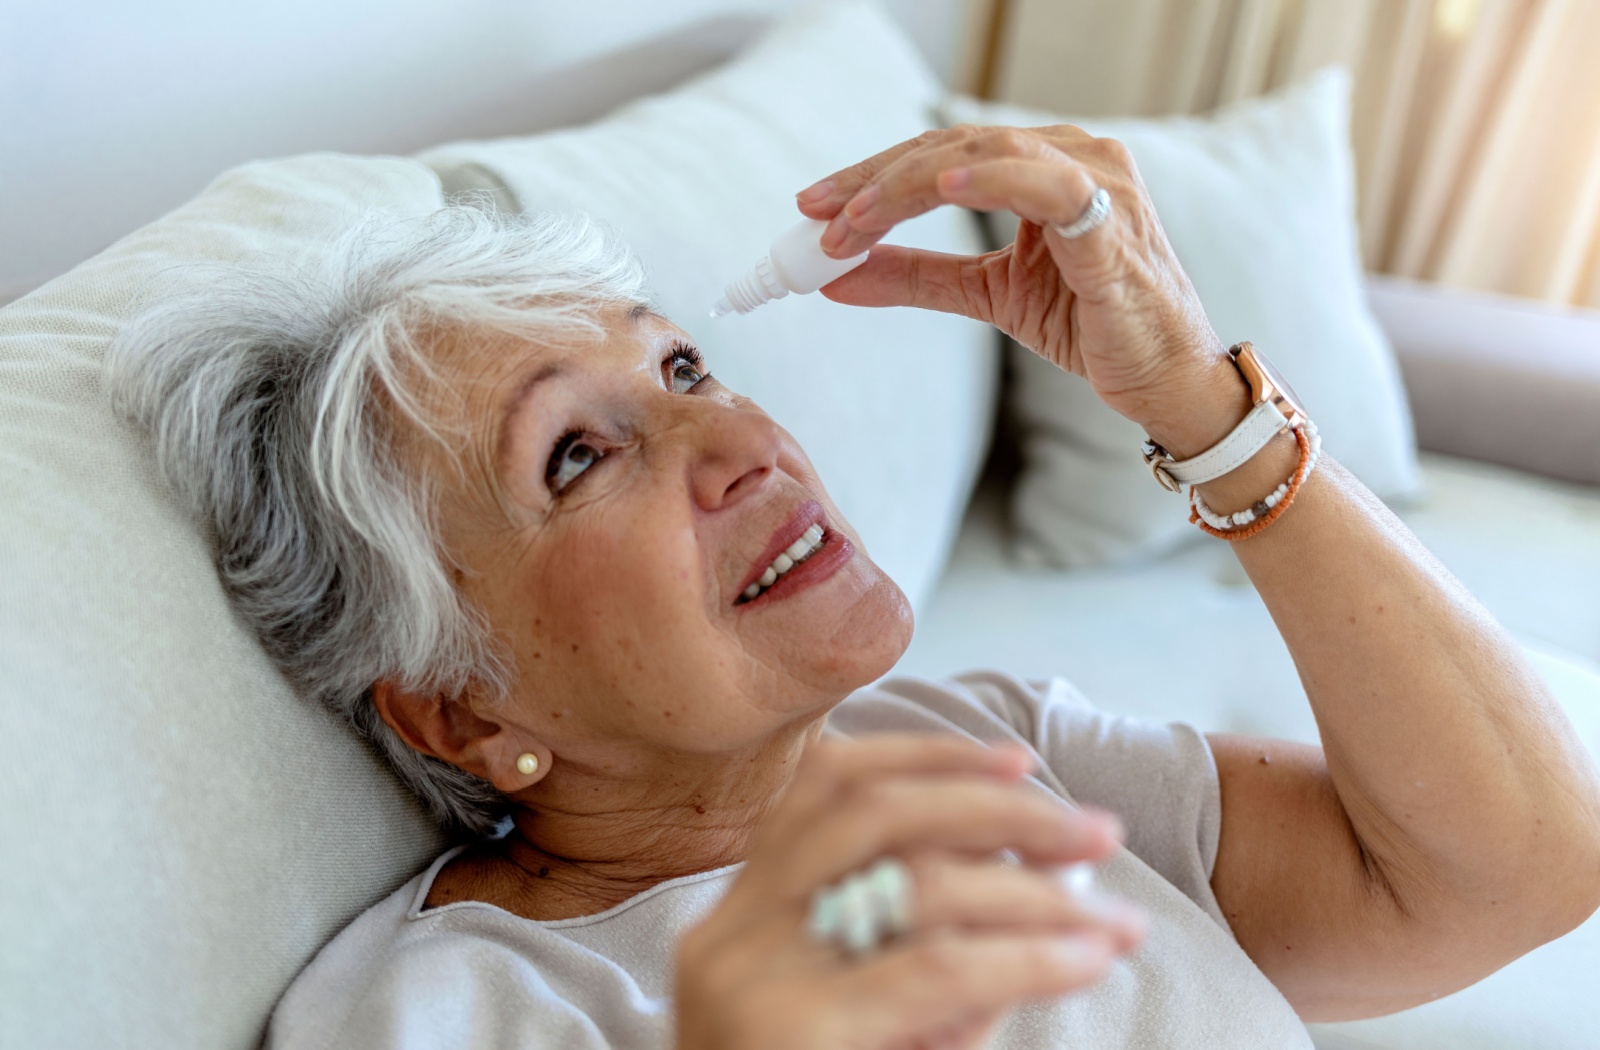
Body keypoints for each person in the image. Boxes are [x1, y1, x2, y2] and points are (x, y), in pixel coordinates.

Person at [108, 124, 1600, 1050]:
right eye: (576, 455)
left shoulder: (981, 743)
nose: (744, 439)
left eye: (684, 363)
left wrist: (1206, 411)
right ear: (460, 711)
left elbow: (1516, 870)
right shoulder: (440, 1011)